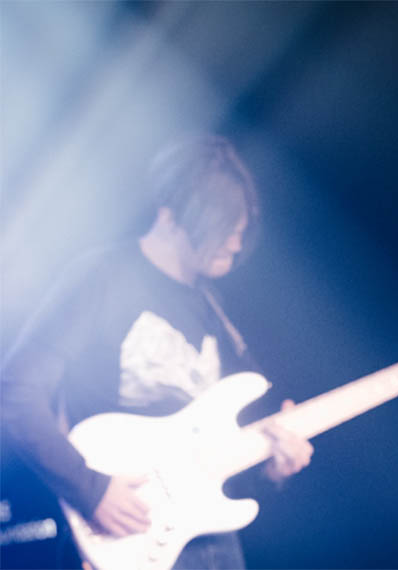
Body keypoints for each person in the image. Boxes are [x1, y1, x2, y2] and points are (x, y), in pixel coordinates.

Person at [1, 135, 314, 568]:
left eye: (240, 230)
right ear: (171, 216)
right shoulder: (102, 279)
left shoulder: (214, 312)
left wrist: (273, 462)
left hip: (211, 546)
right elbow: (16, 392)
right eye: (223, 228)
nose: (235, 243)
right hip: (122, 537)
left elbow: (226, 443)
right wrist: (90, 488)